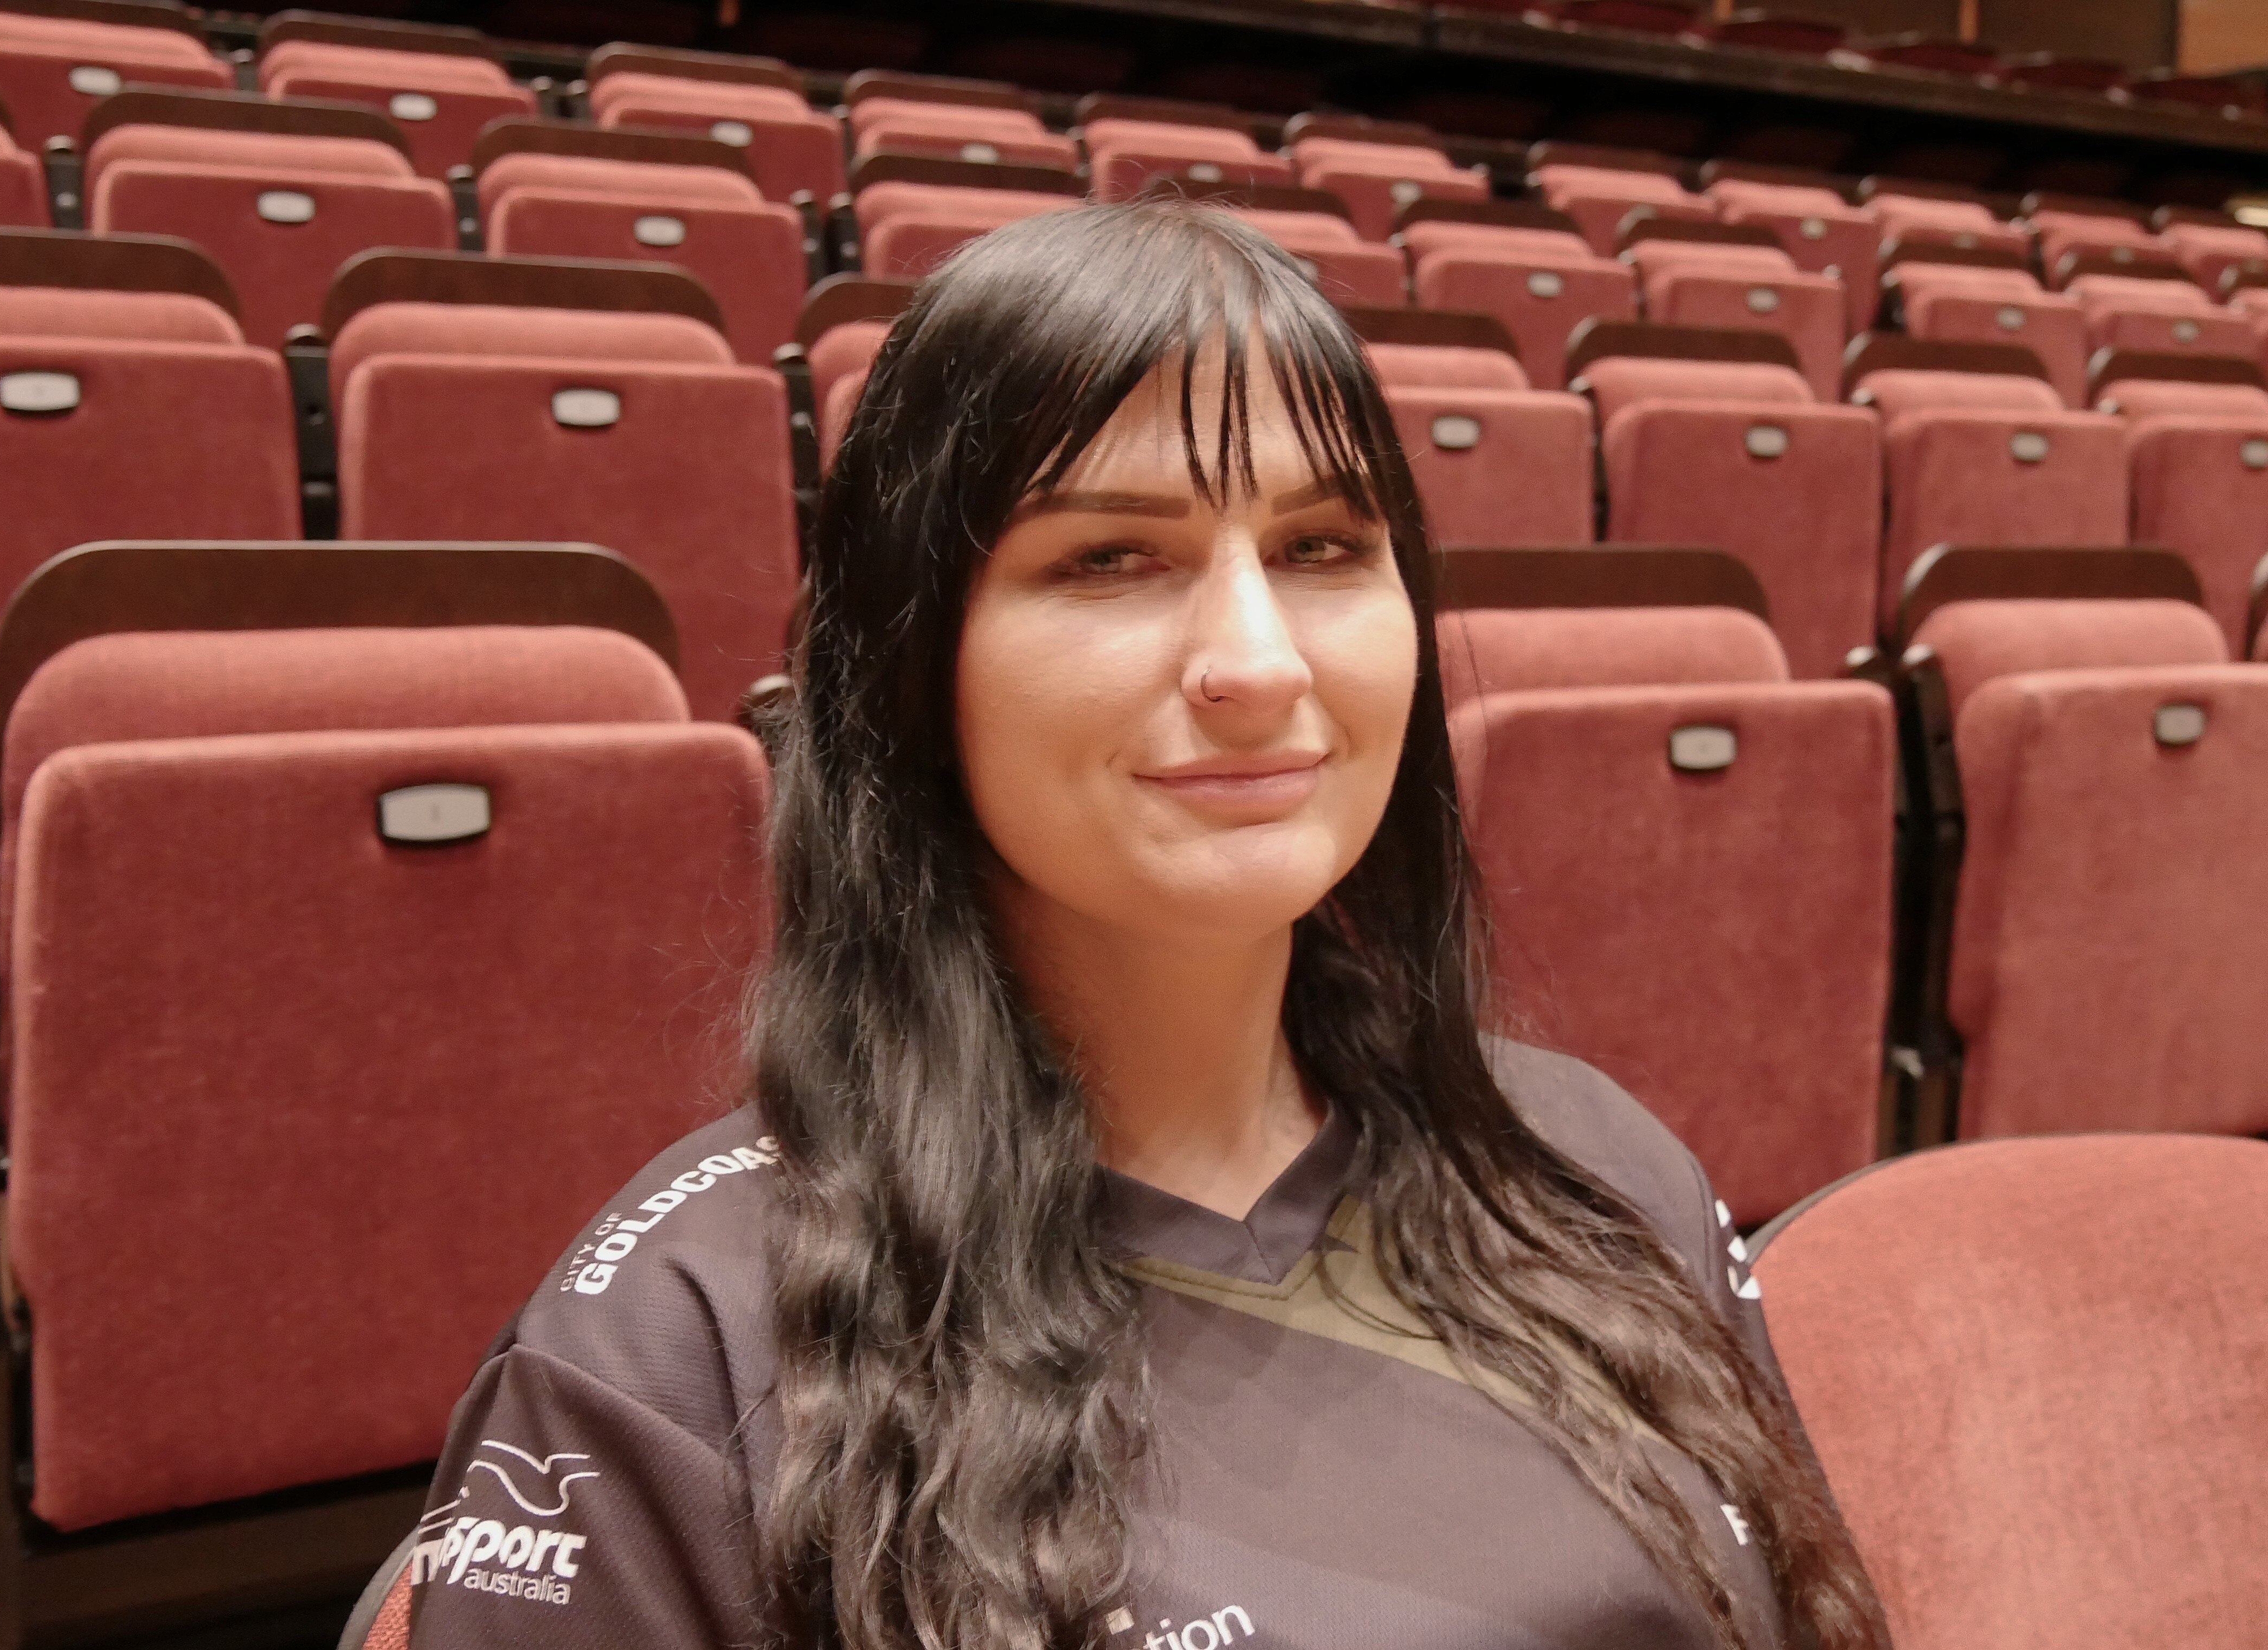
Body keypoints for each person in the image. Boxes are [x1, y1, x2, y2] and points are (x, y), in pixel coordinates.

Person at [399, 201, 1889, 1650]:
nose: (1256, 658)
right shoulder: (681, 1338)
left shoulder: (1599, 1168)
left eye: (1321, 550)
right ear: (915, 664)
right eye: (1110, 559)